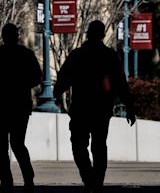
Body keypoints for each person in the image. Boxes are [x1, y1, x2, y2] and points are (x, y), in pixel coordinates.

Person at [53, 20, 136, 193]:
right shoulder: (110, 56)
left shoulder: (78, 55)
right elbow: (121, 83)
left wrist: (57, 91)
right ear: (103, 35)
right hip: (101, 110)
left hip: (81, 109)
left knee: (78, 145)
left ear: (88, 34)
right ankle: (96, 182)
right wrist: (129, 107)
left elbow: (63, 77)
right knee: (99, 146)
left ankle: (89, 178)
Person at [0, 23, 42, 193]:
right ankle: (28, 178)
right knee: (18, 143)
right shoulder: (26, 55)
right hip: (19, 105)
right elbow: (36, 78)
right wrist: (22, 84)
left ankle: (6, 181)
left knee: (1, 146)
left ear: (3, 36)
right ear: (17, 36)